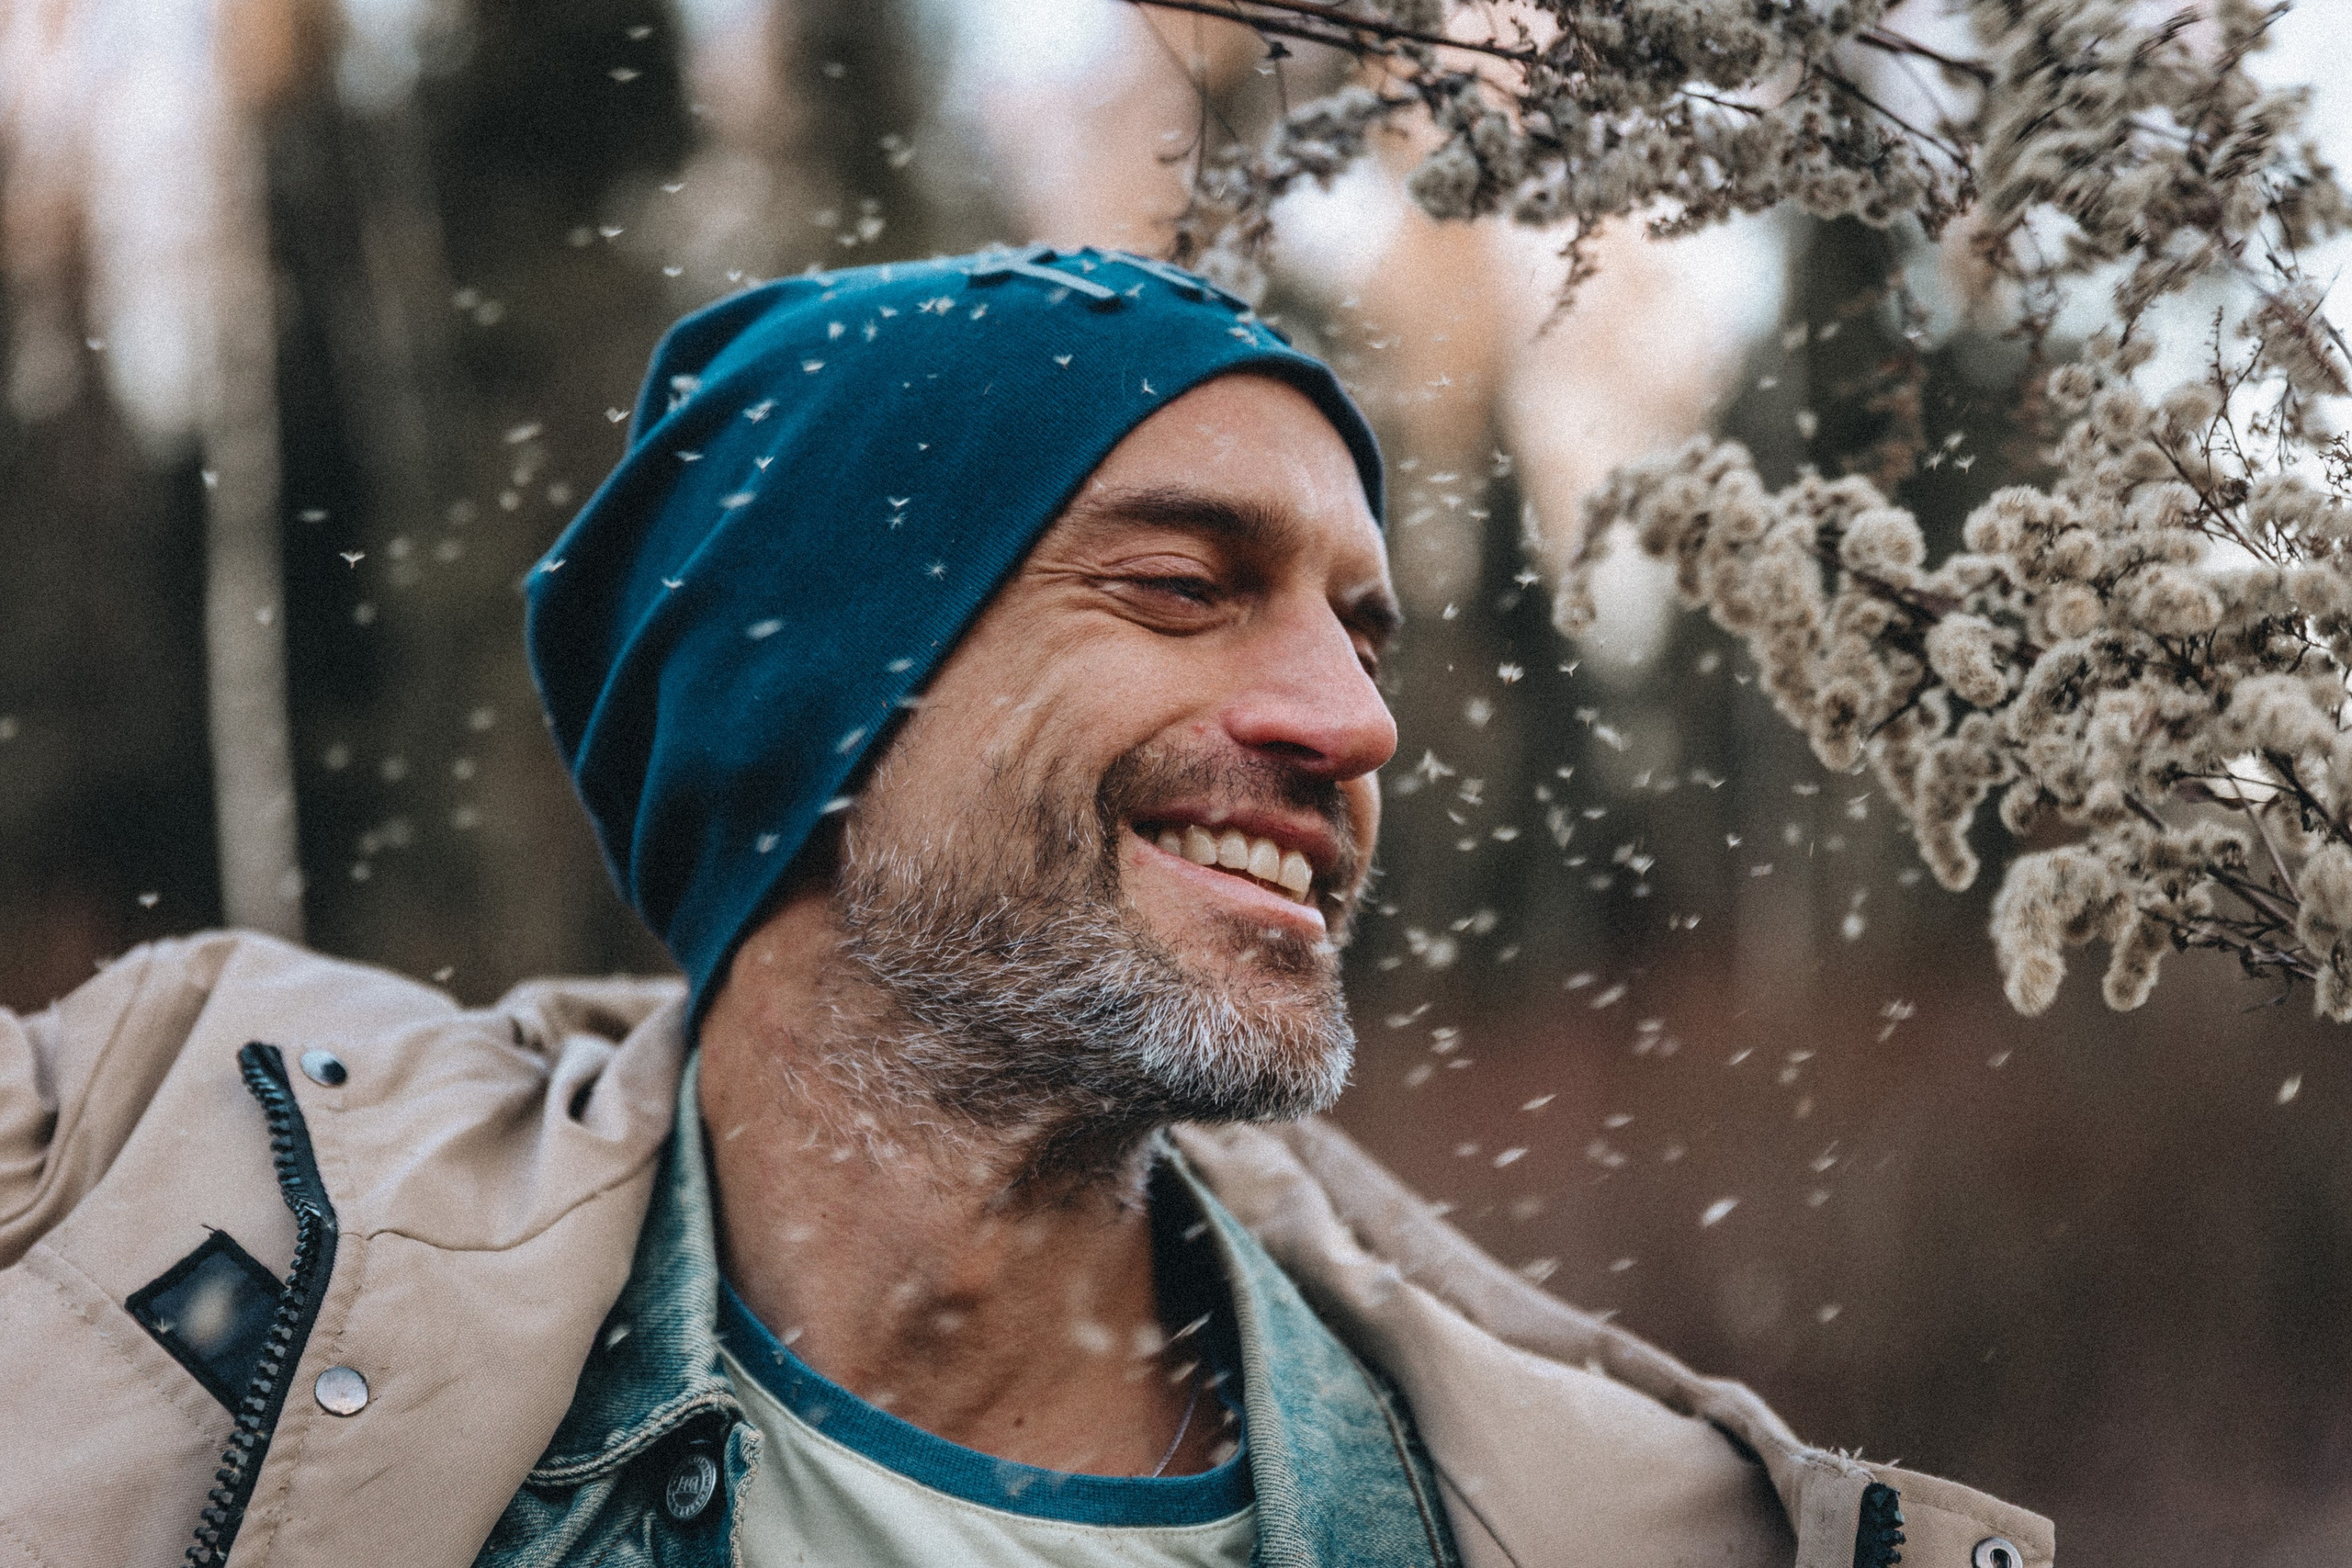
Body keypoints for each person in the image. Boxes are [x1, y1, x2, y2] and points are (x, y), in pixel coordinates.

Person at [0, 246, 2050, 1568]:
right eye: (1181, 583)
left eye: (1365, 628)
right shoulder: (165, 1148)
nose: (1353, 722)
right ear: (813, 708)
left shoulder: (1621, 1523)